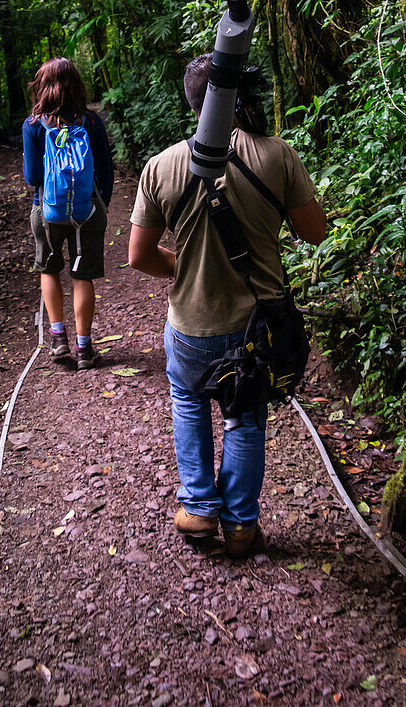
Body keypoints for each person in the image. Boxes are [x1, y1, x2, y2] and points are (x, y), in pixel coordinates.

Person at [128, 54, 326, 557]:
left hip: (190, 323)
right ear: (239, 96)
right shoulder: (275, 155)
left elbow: (138, 256)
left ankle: (198, 508)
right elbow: (314, 232)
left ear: (195, 104)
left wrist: (182, 267)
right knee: (245, 414)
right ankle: (240, 525)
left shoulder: (162, 166)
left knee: (189, 401)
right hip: (255, 325)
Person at [23, 58, 114, 370]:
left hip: (46, 211)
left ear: (42, 87)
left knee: (49, 271)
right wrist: (102, 206)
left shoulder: (33, 126)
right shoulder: (91, 122)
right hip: (87, 209)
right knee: (82, 275)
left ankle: (59, 339)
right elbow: (105, 170)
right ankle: (85, 348)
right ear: (77, 85)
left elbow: (33, 176)